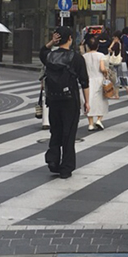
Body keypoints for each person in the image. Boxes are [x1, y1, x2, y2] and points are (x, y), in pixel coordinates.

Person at [40, 26, 89, 179]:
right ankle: (66, 168)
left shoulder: (49, 56)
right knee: (69, 134)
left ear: (57, 39)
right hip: (70, 100)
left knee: (55, 131)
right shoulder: (76, 58)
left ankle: (53, 160)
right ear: (70, 39)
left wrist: (50, 43)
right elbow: (84, 82)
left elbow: (42, 52)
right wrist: (87, 102)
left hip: (53, 100)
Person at [81, 35, 110, 131]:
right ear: (97, 46)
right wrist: (106, 71)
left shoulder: (84, 57)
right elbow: (102, 68)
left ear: (88, 46)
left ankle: (90, 124)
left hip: (88, 80)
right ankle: (99, 120)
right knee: (101, 100)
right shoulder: (101, 55)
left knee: (88, 101)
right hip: (99, 79)